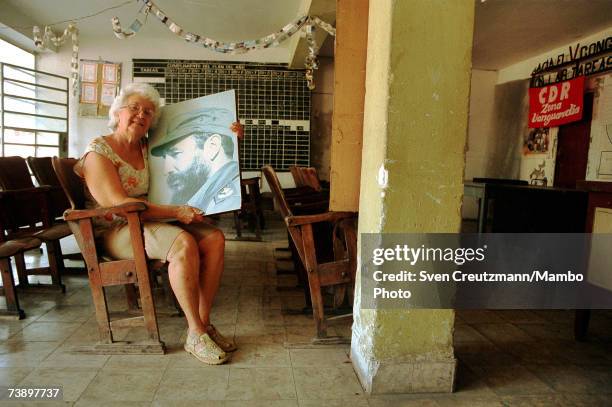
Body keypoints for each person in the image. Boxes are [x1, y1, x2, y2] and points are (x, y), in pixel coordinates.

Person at [74, 83, 243, 365]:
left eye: (149, 112)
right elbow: (117, 203)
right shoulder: (98, 152)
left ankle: (203, 324)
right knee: (182, 244)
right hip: (115, 227)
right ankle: (195, 333)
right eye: (135, 108)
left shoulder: (146, 147)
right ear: (117, 112)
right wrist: (177, 211)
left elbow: (198, 156)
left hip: (150, 218)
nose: (142, 114)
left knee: (214, 238)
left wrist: (231, 137)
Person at [150, 108, 241, 214]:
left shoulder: (229, 200)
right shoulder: (209, 196)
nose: (166, 170)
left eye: (176, 154)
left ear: (213, 146)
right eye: (165, 158)